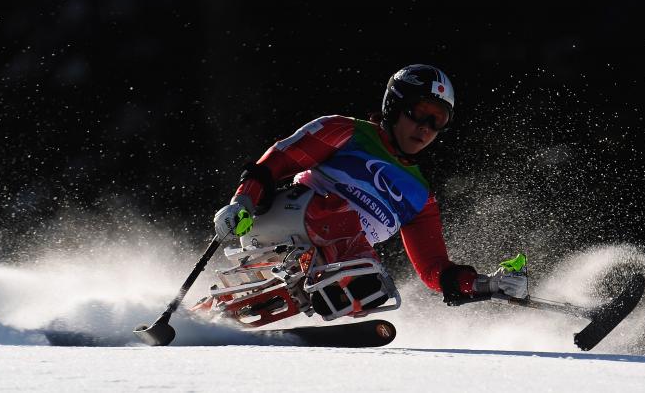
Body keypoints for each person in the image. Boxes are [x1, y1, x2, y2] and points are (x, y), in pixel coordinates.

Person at [213, 64, 528, 317]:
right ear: (394, 105)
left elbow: (434, 270)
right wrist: (242, 201)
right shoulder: (346, 131)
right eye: (420, 112)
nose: (426, 127)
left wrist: (484, 285)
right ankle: (342, 285)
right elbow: (277, 162)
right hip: (283, 225)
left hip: (336, 263)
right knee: (345, 227)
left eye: (439, 120)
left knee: (372, 283)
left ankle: (301, 301)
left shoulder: (421, 196)